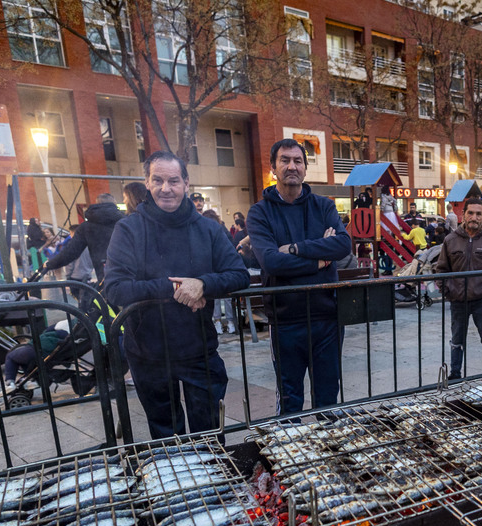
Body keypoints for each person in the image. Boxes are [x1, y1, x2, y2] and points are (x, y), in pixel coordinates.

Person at [103, 151, 250, 439]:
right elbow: (115, 288)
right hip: (147, 352)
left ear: (185, 183)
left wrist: (203, 284)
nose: (165, 188)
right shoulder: (129, 229)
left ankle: (214, 481)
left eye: (173, 180)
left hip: (198, 349)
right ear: (147, 182)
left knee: (209, 436)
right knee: (166, 439)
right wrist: (174, 289)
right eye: (157, 180)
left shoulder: (208, 229)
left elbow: (238, 274)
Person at [247, 139, 353, 414]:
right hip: (285, 320)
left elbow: (342, 245)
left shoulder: (323, 206)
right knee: (290, 400)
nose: (292, 166)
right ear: (273, 168)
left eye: (298, 161)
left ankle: (329, 452)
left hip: (327, 317)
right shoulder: (260, 212)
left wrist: (296, 249)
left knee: (327, 399)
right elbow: (271, 261)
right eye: (285, 160)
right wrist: (319, 259)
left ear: (305, 168)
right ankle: (291, 452)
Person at [436, 198, 482, 381]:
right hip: (457, 300)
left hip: (481, 301)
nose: (474, 217)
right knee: (456, 341)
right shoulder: (450, 240)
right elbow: (441, 270)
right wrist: (449, 292)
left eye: (478, 213)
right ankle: (455, 374)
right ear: (463, 215)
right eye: (470, 213)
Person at [41, 193, 124, 282]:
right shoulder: (125, 222)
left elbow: (70, 252)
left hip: (106, 276)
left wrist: (51, 264)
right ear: (114, 204)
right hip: (129, 273)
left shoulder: (86, 227)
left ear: (97, 204)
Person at [3, 320, 69, 393]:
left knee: (11, 356)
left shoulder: (60, 327)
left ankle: (10, 383)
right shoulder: (73, 332)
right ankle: (32, 379)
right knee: (27, 361)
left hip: (36, 348)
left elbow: (46, 331)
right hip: (47, 353)